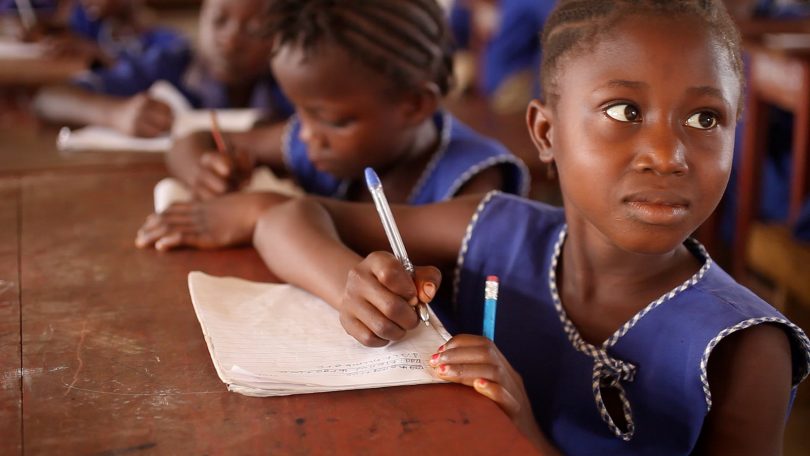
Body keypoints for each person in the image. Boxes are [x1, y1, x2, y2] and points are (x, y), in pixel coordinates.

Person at [248, 1, 810, 454]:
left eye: (705, 118)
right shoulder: (494, 229)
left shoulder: (746, 350)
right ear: (546, 132)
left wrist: (525, 435)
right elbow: (289, 218)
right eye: (623, 112)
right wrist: (355, 288)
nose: (668, 155)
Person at [134, 0, 529, 251]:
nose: (305, 134)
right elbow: (190, 139)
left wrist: (264, 210)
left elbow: (445, 230)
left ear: (414, 104)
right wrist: (205, 174)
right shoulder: (319, 140)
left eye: (333, 120)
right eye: (300, 111)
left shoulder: (475, 177)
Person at [32, 0, 292, 138]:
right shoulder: (169, 64)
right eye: (219, 20)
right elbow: (48, 99)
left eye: (254, 29)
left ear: (280, 37)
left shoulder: (288, 86)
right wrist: (115, 114)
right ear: (203, 13)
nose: (231, 40)